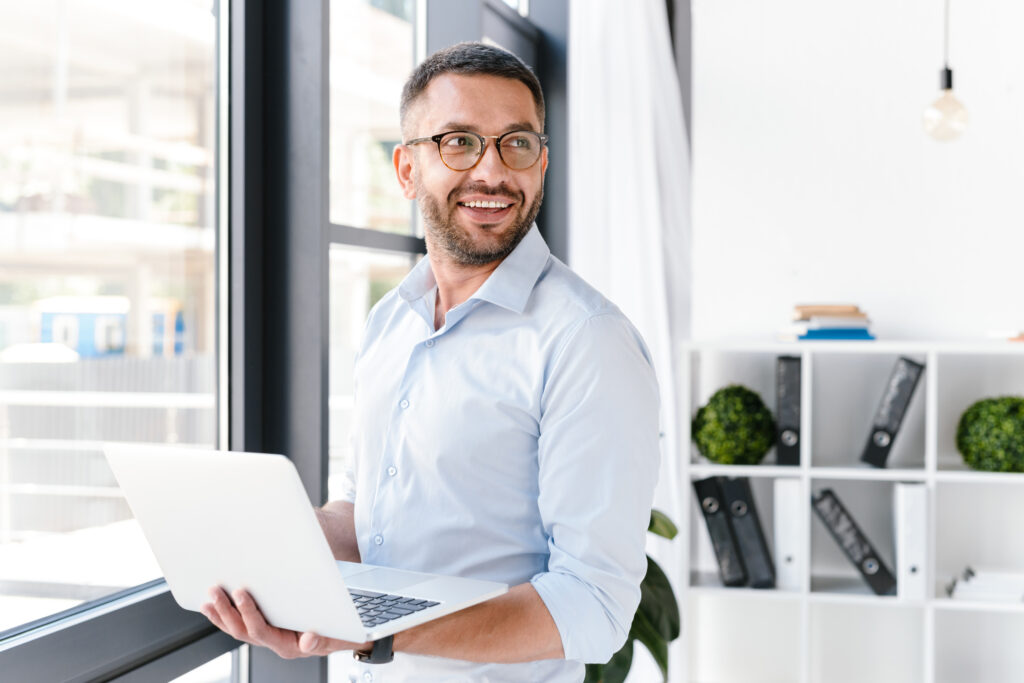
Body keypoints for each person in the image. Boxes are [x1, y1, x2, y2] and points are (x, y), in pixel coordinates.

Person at [200, 42, 661, 682]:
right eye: (459, 142)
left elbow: (595, 607)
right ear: (407, 169)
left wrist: (375, 630)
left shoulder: (586, 341)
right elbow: (367, 515)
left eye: (516, 143)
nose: (492, 172)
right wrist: (268, 545)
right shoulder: (391, 321)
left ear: (542, 162)